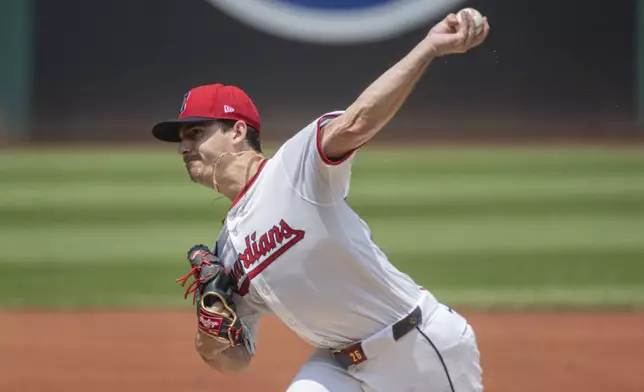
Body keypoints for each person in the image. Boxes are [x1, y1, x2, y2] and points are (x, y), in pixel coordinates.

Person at [151, 9, 490, 392]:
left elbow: (357, 122)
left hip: (416, 347)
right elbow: (234, 361)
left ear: (237, 131)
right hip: (337, 365)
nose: (183, 146)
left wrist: (429, 47)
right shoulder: (227, 251)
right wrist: (209, 320)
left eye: (195, 132)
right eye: (181, 139)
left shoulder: (295, 167)